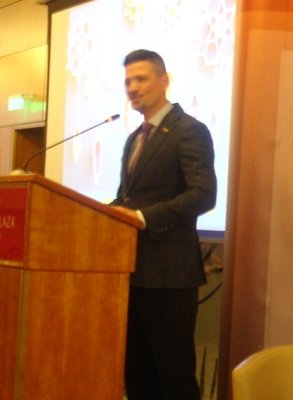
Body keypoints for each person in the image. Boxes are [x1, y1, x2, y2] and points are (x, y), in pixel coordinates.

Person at [110, 49, 217, 400]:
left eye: (141, 79)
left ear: (164, 81)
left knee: (173, 379)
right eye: (128, 81)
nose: (132, 87)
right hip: (132, 272)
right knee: (138, 376)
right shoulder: (134, 138)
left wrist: (144, 218)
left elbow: (203, 194)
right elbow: (127, 199)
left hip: (170, 276)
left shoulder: (189, 131)